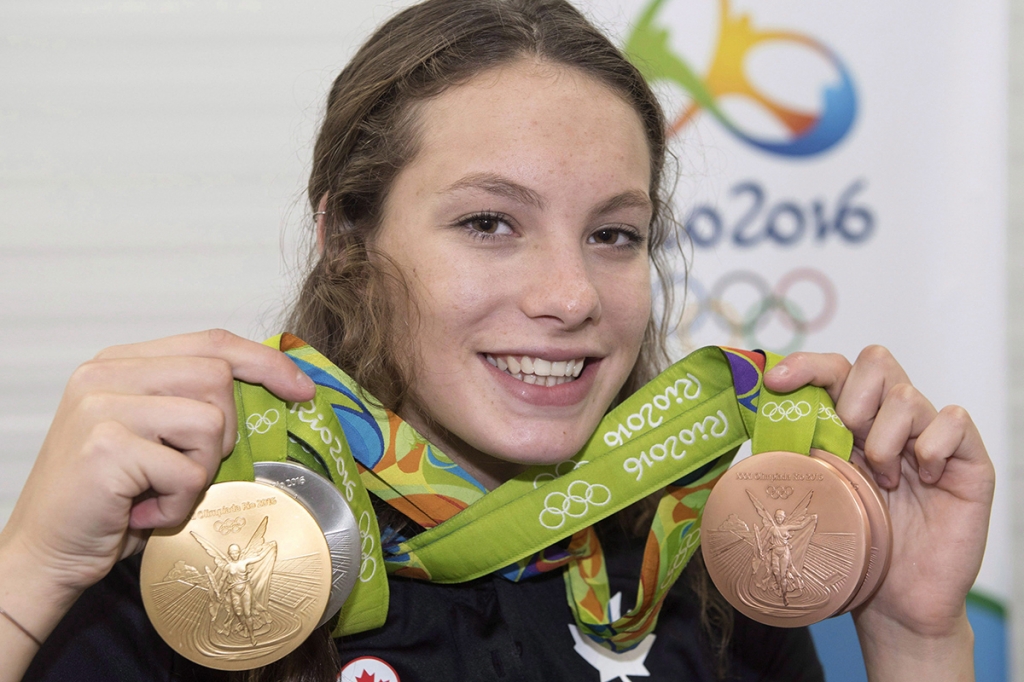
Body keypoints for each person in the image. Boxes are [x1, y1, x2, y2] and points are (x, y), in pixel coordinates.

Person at [0, 0, 994, 680]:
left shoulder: (694, 569)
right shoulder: (198, 556)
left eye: (614, 233)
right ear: (344, 235)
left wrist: (914, 637)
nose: (569, 295)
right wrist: (28, 571)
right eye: (489, 223)